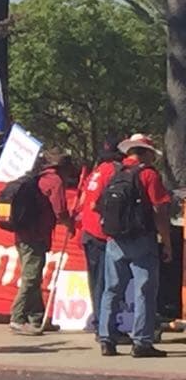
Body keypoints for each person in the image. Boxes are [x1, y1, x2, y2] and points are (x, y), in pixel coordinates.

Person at [98, 134, 172, 358]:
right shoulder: (149, 174)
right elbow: (160, 209)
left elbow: (98, 204)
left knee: (112, 290)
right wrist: (166, 241)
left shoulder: (114, 173)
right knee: (144, 290)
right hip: (142, 239)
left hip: (115, 240)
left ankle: (106, 339)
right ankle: (141, 342)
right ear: (146, 153)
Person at [9, 149, 75, 336]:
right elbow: (60, 210)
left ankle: (37, 317)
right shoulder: (55, 181)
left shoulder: (37, 177)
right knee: (31, 277)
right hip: (35, 234)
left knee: (34, 275)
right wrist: (70, 224)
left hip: (24, 233)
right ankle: (17, 317)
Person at [76, 141, 122, 336]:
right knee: (106, 283)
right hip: (101, 233)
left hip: (88, 232)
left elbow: (83, 201)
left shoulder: (96, 171)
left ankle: (99, 322)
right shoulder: (112, 171)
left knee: (97, 282)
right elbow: (95, 204)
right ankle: (104, 327)